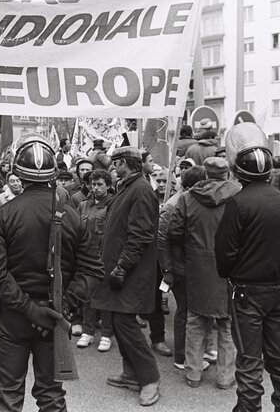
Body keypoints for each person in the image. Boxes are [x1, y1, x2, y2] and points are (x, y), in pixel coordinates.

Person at [0, 135, 104, 411]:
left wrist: (31, 311)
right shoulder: (71, 215)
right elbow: (93, 269)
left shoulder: (4, 214)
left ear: (18, 173)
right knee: (51, 396)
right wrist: (61, 309)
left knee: (8, 396)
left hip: (13, 317)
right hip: (55, 317)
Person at [215, 122, 280, 412]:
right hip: (278, 289)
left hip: (247, 292)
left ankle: (248, 408)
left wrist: (233, 270)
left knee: (250, 359)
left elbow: (224, 256)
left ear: (237, 170)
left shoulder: (238, 204)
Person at [91, 147, 161, 407]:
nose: (111, 168)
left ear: (124, 164)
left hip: (131, 272)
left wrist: (122, 267)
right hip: (122, 270)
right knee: (120, 322)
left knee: (126, 324)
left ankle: (150, 379)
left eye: (115, 163)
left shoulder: (140, 189)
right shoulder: (128, 186)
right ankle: (131, 373)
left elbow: (140, 234)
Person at [167, 157, 239, 389]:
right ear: (226, 174)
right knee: (227, 323)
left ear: (206, 174)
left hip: (197, 266)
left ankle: (193, 373)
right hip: (230, 268)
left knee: (195, 320)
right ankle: (226, 377)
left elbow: (174, 232)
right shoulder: (238, 197)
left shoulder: (188, 198)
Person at [158, 165, 207, 371]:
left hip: (184, 266)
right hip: (179, 268)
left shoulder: (184, 201)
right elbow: (162, 240)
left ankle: (188, 353)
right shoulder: (174, 205)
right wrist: (167, 271)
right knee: (185, 312)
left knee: (188, 311)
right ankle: (182, 356)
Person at [77, 169, 116, 352]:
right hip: (87, 257)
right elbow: (77, 230)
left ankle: (107, 334)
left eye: (100, 184)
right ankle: (88, 331)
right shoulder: (84, 205)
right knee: (88, 295)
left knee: (106, 296)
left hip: (105, 256)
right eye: (93, 184)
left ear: (108, 186)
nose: (96, 188)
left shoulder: (113, 205)